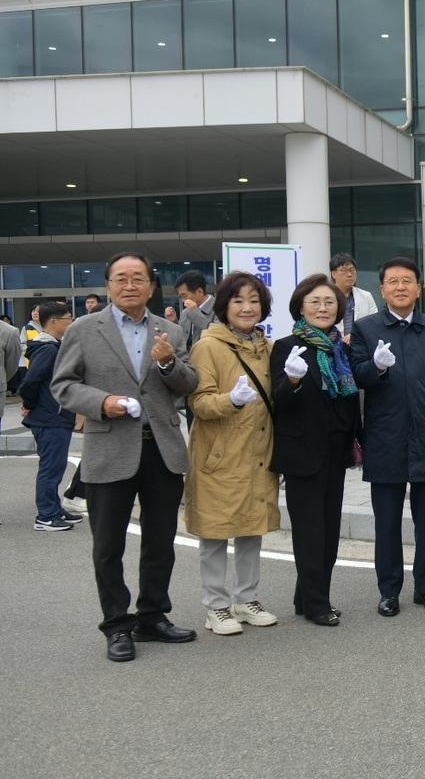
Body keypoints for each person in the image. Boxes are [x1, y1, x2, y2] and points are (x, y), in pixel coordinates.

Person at [51, 252, 200, 662]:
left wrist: (168, 362)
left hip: (162, 449)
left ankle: (153, 615)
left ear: (152, 286)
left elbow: (188, 384)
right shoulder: (84, 329)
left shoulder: (168, 329)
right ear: (109, 285)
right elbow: (63, 385)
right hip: (110, 444)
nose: (130, 285)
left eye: (138, 278)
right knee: (108, 545)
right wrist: (104, 402)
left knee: (160, 541)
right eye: (121, 278)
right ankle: (117, 624)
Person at [350, 257, 425, 617]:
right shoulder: (366, 329)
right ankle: (389, 590)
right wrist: (377, 367)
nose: (401, 287)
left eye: (407, 281)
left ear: (418, 287)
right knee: (387, 521)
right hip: (385, 436)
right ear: (382, 289)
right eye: (393, 281)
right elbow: (357, 377)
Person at [185, 271, 281, 636]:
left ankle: (246, 598)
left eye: (254, 301)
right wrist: (232, 401)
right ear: (224, 305)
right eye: (239, 300)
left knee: (251, 529)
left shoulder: (267, 346)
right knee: (215, 531)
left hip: (258, 451)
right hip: (220, 455)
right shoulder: (208, 346)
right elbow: (199, 402)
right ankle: (216, 606)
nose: (247, 307)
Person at [271, 274, 362, 627]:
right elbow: (277, 401)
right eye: (315, 302)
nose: (323, 308)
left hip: (336, 450)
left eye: (329, 302)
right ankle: (318, 603)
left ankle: (306, 595)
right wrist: (291, 380)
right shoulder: (286, 346)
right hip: (302, 453)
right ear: (301, 307)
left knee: (329, 529)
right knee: (311, 532)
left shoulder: (342, 348)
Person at [20, 302, 78, 531]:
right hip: (49, 417)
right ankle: (45, 516)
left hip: (54, 416)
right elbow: (30, 381)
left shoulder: (52, 347)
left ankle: (53, 508)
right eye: (68, 318)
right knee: (51, 468)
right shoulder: (48, 349)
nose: (71, 322)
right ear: (54, 321)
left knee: (56, 466)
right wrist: (29, 403)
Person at [330, 253, 379, 341]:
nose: (349, 274)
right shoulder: (326, 296)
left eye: (352, 270)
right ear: (333, 274)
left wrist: (354, 335)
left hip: (360, 345)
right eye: (344, 270)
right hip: (332, 346)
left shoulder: (366, 296)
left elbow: (374, 323)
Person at [175, 270, 215, 350]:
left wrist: (194, 312)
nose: (183, 301)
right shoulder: (185, 312)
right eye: (180, 297)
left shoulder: (220, 308)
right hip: (186, 360)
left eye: (184, 295)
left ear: (199, 291)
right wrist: (173, 321)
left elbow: (216, 334)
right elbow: (180, 337)